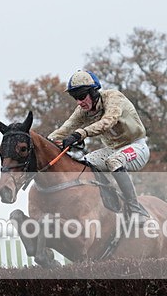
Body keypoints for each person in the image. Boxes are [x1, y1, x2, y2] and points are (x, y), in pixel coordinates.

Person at [48, 70, 151, 222]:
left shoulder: (113, 98)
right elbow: (65, 129)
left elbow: (108, 121)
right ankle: (104, 201)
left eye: (82, 96)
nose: (79, 102)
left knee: (114, 161)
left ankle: (136, 209)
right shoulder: (82, 110)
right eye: (75, 98)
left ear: (93, 92)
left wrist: (80, 134)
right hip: (112, 150)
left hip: (137, 147)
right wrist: (43, 143)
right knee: (83, 163)